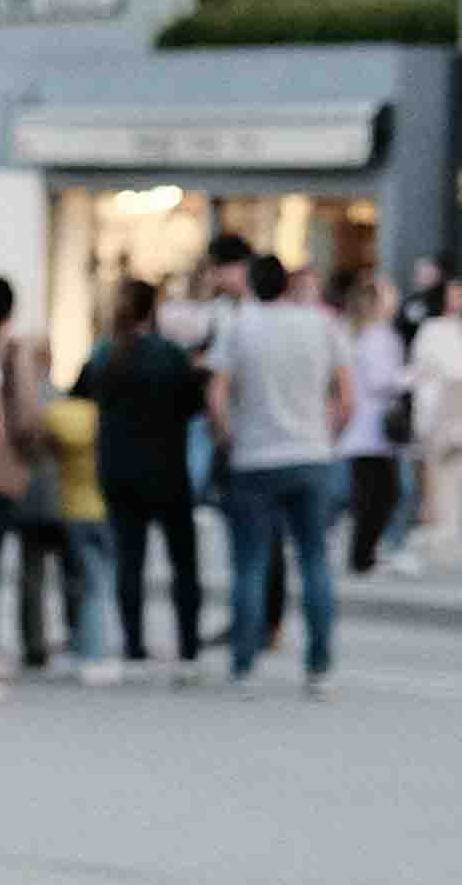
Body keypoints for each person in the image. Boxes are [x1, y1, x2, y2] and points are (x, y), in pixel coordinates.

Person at [205, 253, 353, 694]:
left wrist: (229, 436)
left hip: (254, 459)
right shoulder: (322, 325)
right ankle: (319, 667)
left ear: (252, 284)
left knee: (250, 564)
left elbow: (216, 394)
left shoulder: (240, 327)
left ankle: (244, 665)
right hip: (310, 455)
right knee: (314, 561)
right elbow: (347, 398)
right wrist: (327, 437)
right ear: (287, 286)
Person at [77, 278, 206, 677]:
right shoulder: (169, 356)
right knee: (183, 561)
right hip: (167, 468)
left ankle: (133, 641)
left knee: (129, 559)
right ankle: (188, 642)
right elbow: (193, 405)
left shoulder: (103, 356)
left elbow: (79, 399)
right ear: (153, 310)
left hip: (118, 469)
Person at [0, 321, 60, 676]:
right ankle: (41, 640)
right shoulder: (52, 400)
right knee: (41, 569)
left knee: (22, 570)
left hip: (20, 492)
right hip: (43, 494)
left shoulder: (6, 395)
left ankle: (26, 639)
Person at [405, 277, 462, 556]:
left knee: (461, 472)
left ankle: (450, 529)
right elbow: (439, 372)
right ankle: (439, 530)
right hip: (439, 415)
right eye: (454, 294)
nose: (461, 299)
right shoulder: (431, 330)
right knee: (439, 477)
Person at [39, 368, 115, 686]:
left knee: (81, 582)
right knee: (100, 585)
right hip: (105, 507)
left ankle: (81, 644)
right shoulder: (108, 416)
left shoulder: (59, 415)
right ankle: (96, 653)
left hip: (71, 508)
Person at [333, 270, 409, 573]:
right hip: (373, 428)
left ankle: (364, 553)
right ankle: (363, 556)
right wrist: (412, 376)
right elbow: (383, 381)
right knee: (382, 494)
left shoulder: (355, 333)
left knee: (371, 493)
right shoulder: (379, 336)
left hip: (360, 429)